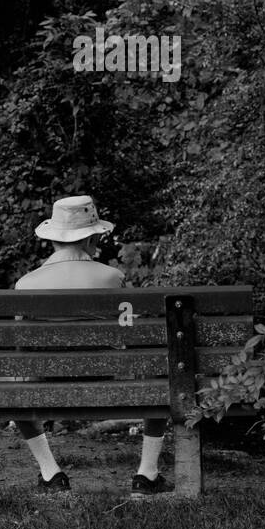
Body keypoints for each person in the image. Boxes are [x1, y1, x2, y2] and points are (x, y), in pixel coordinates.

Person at [13, 195, 170, 498]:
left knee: (15, 380)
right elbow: (135, 337)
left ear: (53, 239)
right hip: (108, 381)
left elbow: (22, 352)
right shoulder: (113, 278)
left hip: (43, 386)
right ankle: (147, 474)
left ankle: (51, 473)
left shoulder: (26, 284)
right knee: (159, 372)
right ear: (91, 237)